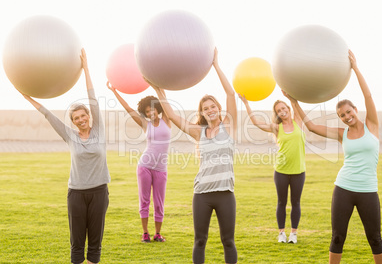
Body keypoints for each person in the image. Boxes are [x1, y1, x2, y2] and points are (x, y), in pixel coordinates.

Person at [285, 50, 382, 264]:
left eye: (349, 112)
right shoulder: (343, 134)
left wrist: (356, 69)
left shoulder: (372, 126)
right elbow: (311, 127)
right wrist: (294, 101)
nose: (347, 117)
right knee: (338, 237)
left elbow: (368, 96)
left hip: (368, 190)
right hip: (343, 188)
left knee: (375, 238)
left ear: (356, 110)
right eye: (342, 116)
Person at [19, 49, 110, 264]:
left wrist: (86, 68)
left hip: (99, 192)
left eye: (83, 116)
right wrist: (27, 97)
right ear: (73, 121)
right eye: (76, 118)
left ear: (89, 116)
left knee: (95, 241)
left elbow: (92, 97)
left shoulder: (99, 131)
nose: (80, 120)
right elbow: (48, 115)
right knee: (77, 241)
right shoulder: (70, 136)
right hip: (76, 194)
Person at [150, 48, 237, 264]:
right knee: (200, 241)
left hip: (225, 194)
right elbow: (171, 115)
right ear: (202, 112)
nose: (210, 109)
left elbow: (230, 94)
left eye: (213, 106)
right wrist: (158, 90)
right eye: (205, 108)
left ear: (218, 108)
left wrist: (216, 65)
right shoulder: (199, 133)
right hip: (202, 194)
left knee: (228, 241)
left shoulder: (229, 126)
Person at [106, 82, 171, 243]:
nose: (150, 113)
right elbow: (128, 109)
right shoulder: (145, 124)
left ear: (158, 108)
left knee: (159, 203)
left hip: (161, 169)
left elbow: (165, 99)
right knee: (144, 201)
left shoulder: (168, 120)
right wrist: (115, 91)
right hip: (145, 167)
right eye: (147, 111)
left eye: (152, 109)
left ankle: (157, 233)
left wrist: (158, 84)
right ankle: (145, 233)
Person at [239, 91, 306, 244]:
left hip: (299, 171)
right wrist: (246, 104)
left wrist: (290, 97)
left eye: (284, 108)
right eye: (279, 111)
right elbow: (256, 122)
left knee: (295, 203)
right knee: (281, 202)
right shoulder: (277, 127)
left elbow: (297, 105)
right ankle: (281, 233)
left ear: (289, 109)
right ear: (277, 114)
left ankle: (293, 234)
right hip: (281, 171)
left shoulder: (299, 122)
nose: (283, 112)